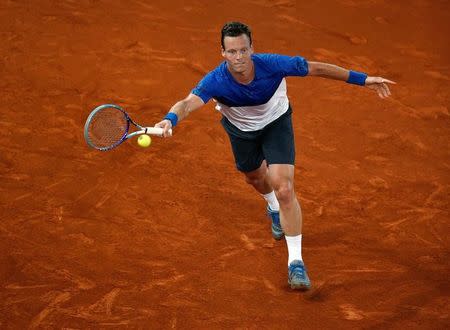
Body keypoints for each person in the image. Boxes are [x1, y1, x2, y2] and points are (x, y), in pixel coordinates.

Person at [154, 21, 395, 290]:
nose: (239, 58)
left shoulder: (272, 64)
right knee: (255, 178)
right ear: (222, 52)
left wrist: (363, 79)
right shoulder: (216, 80)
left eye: (243, 50)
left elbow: (316, 68)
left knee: (284, 187)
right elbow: (188, 103)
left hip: (276, 124)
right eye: (232, 52)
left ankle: (296, 263)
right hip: (241, 133)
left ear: (251, 49)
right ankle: (272, 207)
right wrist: (170, 119)